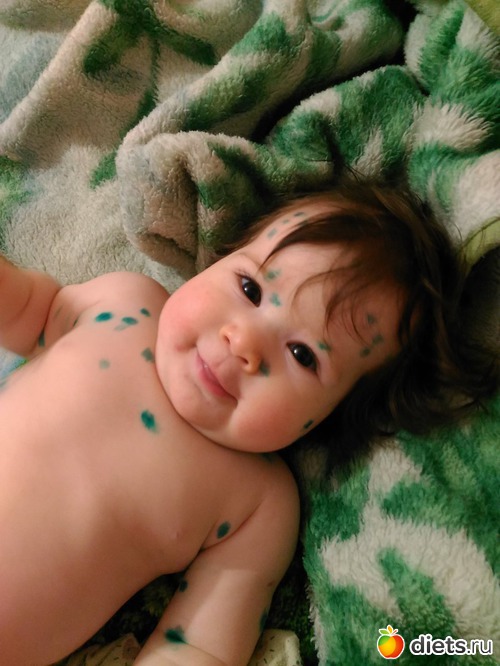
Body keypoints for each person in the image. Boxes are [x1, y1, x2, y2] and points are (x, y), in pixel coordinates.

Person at [0, 182, 495, 665]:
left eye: (303, 355)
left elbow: (199, 644)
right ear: (221, 257)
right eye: (250, 288)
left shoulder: (259, 503)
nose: (243, 342)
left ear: (331, 416)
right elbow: (27, 309)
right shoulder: (123, 301)